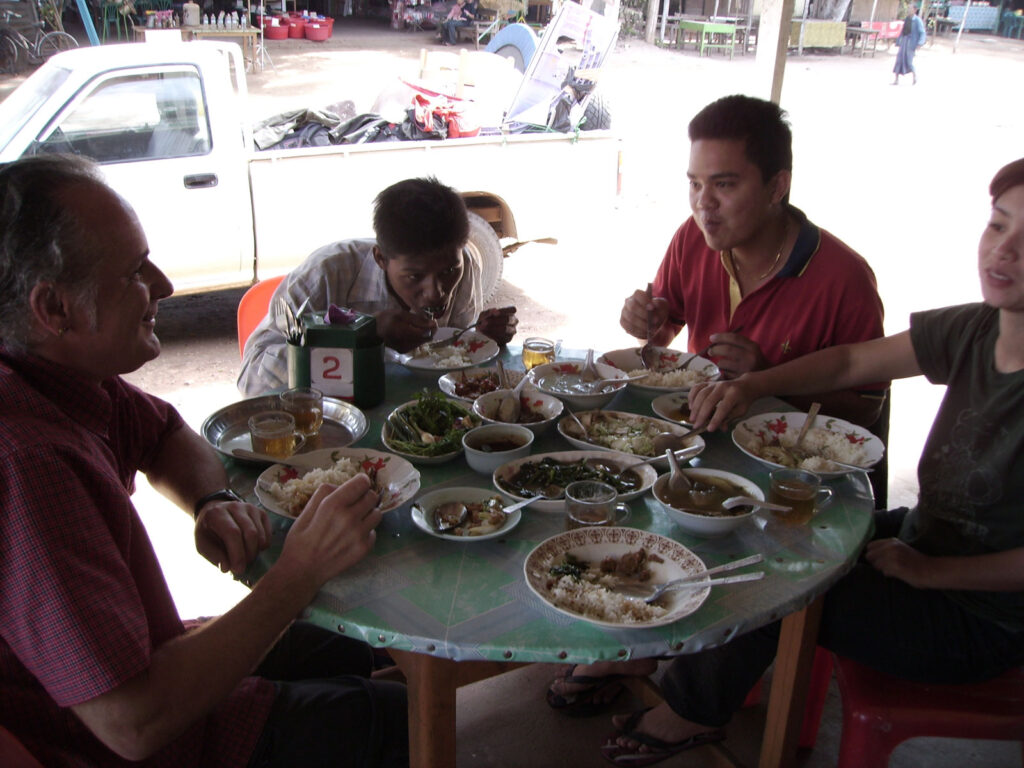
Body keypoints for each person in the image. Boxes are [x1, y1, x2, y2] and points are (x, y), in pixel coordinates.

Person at [595, 157, 1024, 766]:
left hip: (980, 619)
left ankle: (690, 712)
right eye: (999, 225)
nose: (1004, 251)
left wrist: (930, 574)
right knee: (750, 525)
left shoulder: (845, 275)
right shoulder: (979, 328)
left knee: (781, 579)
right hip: (928, 541)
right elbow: (852, 364)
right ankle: (656, 656)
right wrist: (754, 383)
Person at [0, 154, 408, 767]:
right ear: (53, 309)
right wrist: (298, 572)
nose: (163, 286)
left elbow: (163, 432)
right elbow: (134, 723)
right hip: (156, 739)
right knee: (401, 723)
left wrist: (211, 500)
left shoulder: (55, 374)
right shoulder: (28, 463)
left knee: (345, 643)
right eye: (135, 272)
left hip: (155, 667)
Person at [618, 95, 887, 431]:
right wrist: (646, 322)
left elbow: (867, 410)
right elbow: (663, 330)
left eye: (724, 184)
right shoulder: (693, 237)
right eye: (695, 184)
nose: (703, 204)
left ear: (777, 187)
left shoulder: (844, 279)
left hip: (787, 463)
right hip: (699, 437)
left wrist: (768, 377)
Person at [238, 176, 517, 396]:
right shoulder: (325, 274)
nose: (436, 292)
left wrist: (483, 336)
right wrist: (360, 337)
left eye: (448, 270)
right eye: (414, 277)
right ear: (381, 258)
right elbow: (251, 379)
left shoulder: (465, 265)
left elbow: (453, 359)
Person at [893, 3, 927, 85]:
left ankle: (914, 76)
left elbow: (922, 33)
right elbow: (903, 31)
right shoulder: (907, 19)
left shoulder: (917, 20)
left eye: (910, 8)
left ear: (915, 10)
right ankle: (896, 80)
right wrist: (898, 41)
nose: (908, 10)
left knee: (909, 61)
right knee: (899, 60)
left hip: (911, 43)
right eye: (908, 8)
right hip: (904, 42)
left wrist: (920, 43)